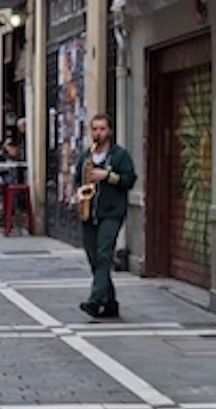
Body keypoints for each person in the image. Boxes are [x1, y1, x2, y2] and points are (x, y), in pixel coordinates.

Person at [66, 113, 137, 318]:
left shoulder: (119, 155)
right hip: (89, 213)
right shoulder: (86, 156)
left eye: (102, 129)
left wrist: (107, 176)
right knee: (94, 258)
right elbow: (79, 180)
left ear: (110, 131)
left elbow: (129, 180)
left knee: (104, 254)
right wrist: (77, 196)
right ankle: (111, 302)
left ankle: (95, 300)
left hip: (111, 212)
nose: (98, 133)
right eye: (95, 129)